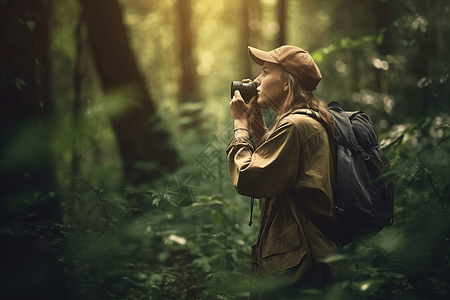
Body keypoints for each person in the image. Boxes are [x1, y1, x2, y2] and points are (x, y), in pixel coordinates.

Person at [226, 45, 347, 299]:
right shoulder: (309, 120)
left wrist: (240, 127)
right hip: (306, 259)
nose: (257, 80)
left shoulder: (294, 126)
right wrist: (258, 127)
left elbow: (248, 177)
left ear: (286, 84)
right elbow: (281, 172)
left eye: (266, 71)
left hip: (300, 269)